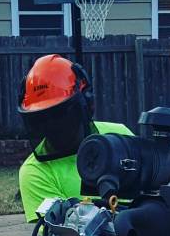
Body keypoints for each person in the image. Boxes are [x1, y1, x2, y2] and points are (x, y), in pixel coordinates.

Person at [17, 54, 132, 222]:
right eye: (43, 118)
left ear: (86, 104)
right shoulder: (35, 172)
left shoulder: (119, 135)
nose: (52, 125)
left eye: (60, 114)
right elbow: (61, 235)